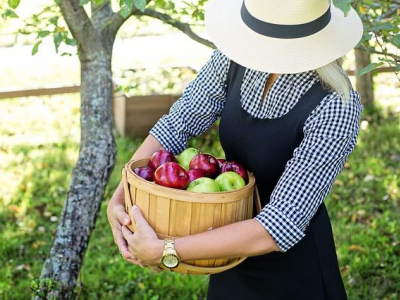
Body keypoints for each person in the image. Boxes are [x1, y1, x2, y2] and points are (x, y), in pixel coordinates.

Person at [107, 0, 364, 299]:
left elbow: (280, 225)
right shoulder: (236, 60)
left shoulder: (336, 105)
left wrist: (165, 250)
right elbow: (177, 125)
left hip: (291, 273)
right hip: (225, 247)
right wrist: (123, 195)